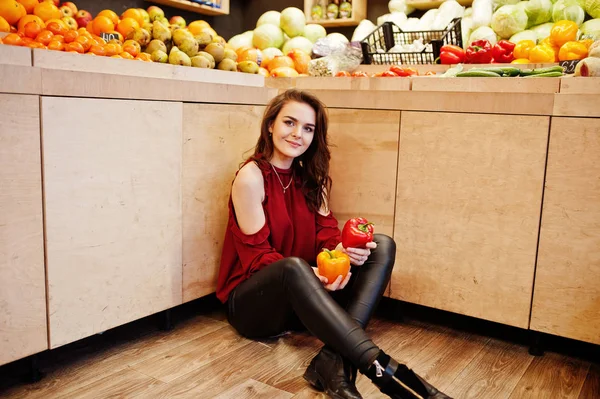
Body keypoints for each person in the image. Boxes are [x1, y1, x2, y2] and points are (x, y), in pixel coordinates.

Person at [216, 89, 451, 399]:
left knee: (381, 244)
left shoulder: (312, 178)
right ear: (270, 124)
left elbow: (327, 234)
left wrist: (344, 252)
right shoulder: (251, 178)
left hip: (305, 299)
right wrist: (313, 273)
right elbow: (258, 258)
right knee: (292, 267)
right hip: (254, 306)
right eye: (289, 122)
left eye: (308, 128)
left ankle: (332, 361)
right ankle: (381, 369)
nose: (298, 134)